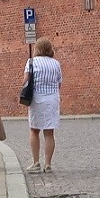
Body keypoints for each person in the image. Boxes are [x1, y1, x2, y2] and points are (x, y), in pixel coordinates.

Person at [24, 38, 63, 172]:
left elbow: (26, 81)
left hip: (36, 99)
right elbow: (59, 84)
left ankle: (36, 163)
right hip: (52, 99)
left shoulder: (31, 62)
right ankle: (48, 164)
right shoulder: (56, 64)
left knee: (34, 130)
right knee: (49, 132)